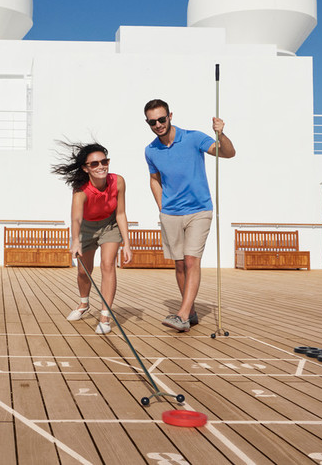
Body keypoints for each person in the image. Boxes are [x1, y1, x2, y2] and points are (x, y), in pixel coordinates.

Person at [143, 99, 236, 332]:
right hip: (171, 213)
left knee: (192, 259)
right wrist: (161, 206)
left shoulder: (193, 138)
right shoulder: (151, 150)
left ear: (170, 116)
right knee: (180, 265)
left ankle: (182, 314)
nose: (158, 125)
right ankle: (191, 311)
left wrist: (221, 134)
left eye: (162, 119)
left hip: (199, 210)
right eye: (152, 122)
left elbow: (228, 153)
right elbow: (154, 179)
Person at [51, 142, 132, 334]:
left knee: (107, 265)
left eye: (104, 161)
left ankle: (105, 316)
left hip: (109, 226)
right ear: (86, 168)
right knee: (83, 271)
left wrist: (127, 244)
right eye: (94, 164)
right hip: (86, 228)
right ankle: (83, 303)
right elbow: (76, 218)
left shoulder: (118, 181)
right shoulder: (81, 189)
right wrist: (75, 241)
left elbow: (120, 214)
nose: (101, 166)